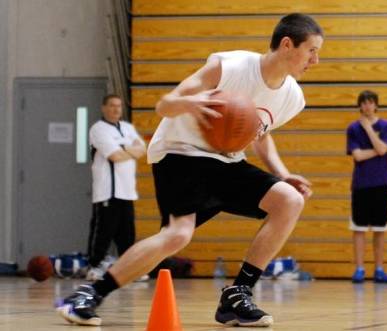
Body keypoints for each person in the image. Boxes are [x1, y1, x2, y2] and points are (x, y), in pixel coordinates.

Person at [56, 13, 323, 327]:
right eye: (312, 51)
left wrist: (281, 172)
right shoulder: (231, 66)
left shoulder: (292, 97)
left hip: (226, 162)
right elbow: (165, 105)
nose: (315, 61)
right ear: (288, 45)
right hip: (180, 151)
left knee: (289, 200)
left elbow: (260, 134)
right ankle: (89, 294)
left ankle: (237, 295)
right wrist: (191, 103)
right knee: (177, 235)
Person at [86, 94, 146, 281]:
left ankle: (128, 270)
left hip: (127, 190)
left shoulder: (128, 128)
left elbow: (142, 150)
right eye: (112, 106)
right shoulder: (98, 129)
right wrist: (130, 151)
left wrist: (125, 150)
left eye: (119, 106)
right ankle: (95, 266)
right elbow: (115, 156)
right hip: (107, 190)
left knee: (127, 233)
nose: (116, 109)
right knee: (104, 230)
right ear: (104, 108)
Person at [346, 90, 387, 284]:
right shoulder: (352, 128)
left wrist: (369, 130)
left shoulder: (386, 126)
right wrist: (377, 149)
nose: (367, 106)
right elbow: (357, 156)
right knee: (359, 228)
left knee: (380, 229)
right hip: (361, 184)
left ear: (376, 105)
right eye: (363, 103)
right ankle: (359, 269)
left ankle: (379, 269)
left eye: (370, 102)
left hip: (381, 183)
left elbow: (384, 149)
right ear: (360, 105)